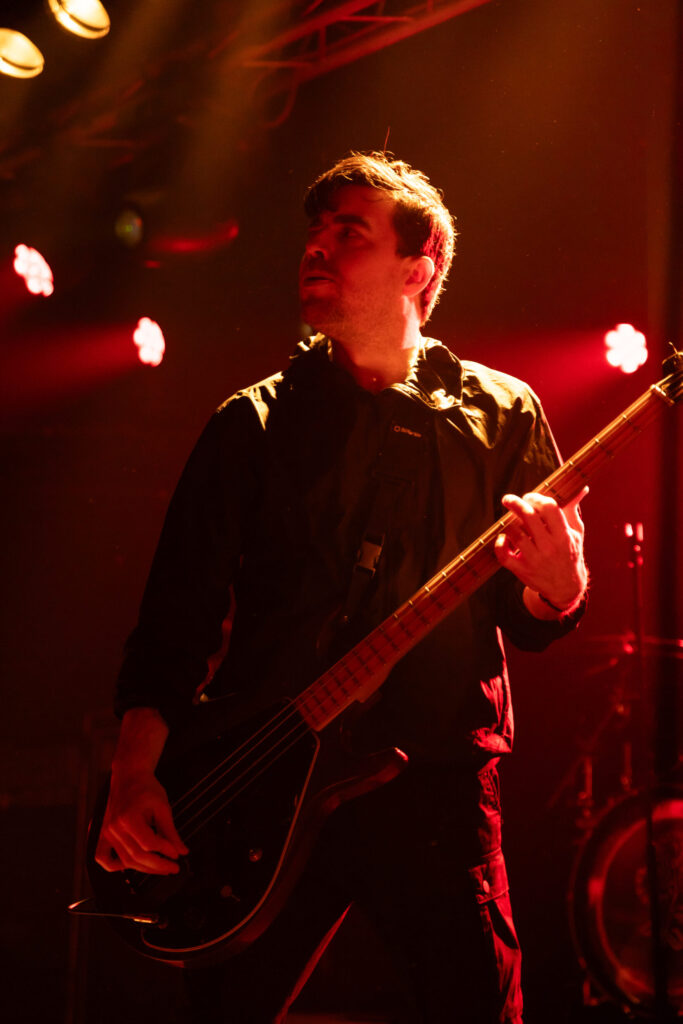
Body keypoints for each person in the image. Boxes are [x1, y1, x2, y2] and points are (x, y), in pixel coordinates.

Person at [95, 151, 588, 1023]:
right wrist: (133, 776)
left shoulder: (504, 413)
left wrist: (560, 584)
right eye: (314, 232)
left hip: (434, 784)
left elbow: (536, 614)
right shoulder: (250, 423)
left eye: (347, 233)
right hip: (262, 779)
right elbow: (172, 626)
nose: (315, 249)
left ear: (419, 263)